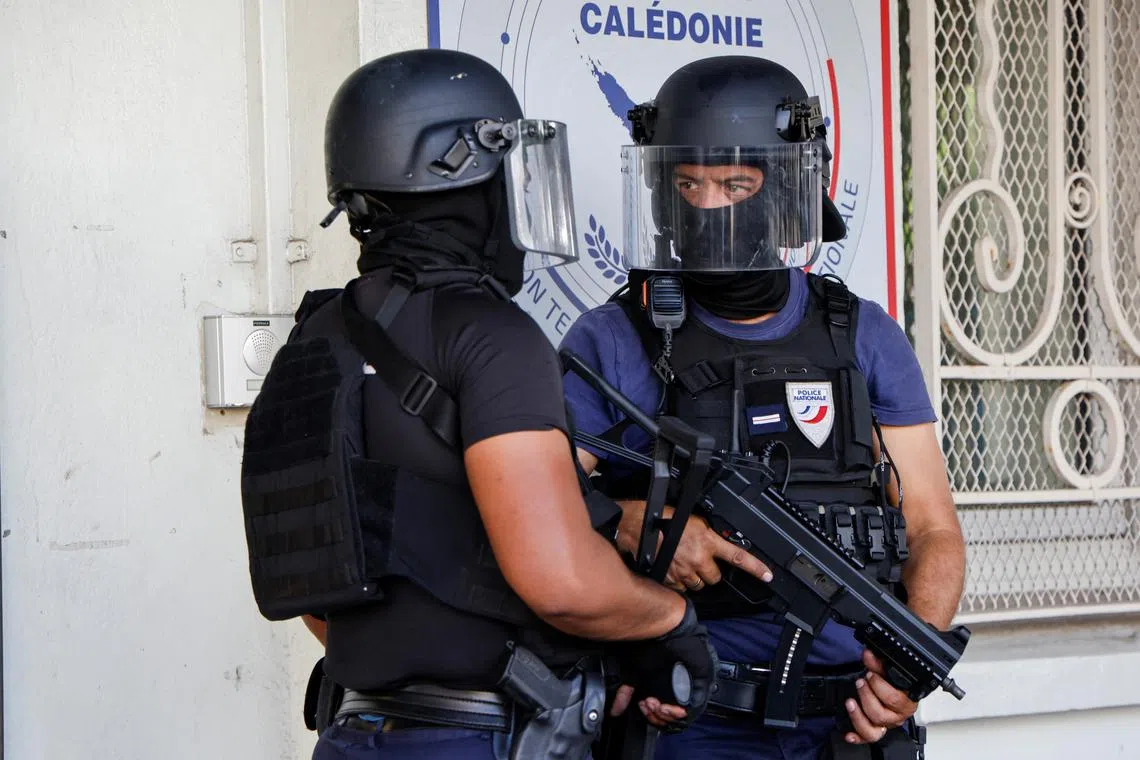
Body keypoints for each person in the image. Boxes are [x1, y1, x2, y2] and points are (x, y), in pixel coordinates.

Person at [239, 49, 717, 760]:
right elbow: (559, 581)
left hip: (353, 733)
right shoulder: (490, 336)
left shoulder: (314, 339)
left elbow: (312, 581)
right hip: (479, 738)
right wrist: (669, 620)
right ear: (468, 172)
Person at [561, 55, 966, 759]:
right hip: (688, 716)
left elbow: (932, 526)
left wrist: (905, 671)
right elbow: (536, 510)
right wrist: (632, 524)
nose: (711, 206)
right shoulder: (616, 336)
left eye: (735, 184)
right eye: (688, 184)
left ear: (783, 189)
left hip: (847, 720)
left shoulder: (862, 333)